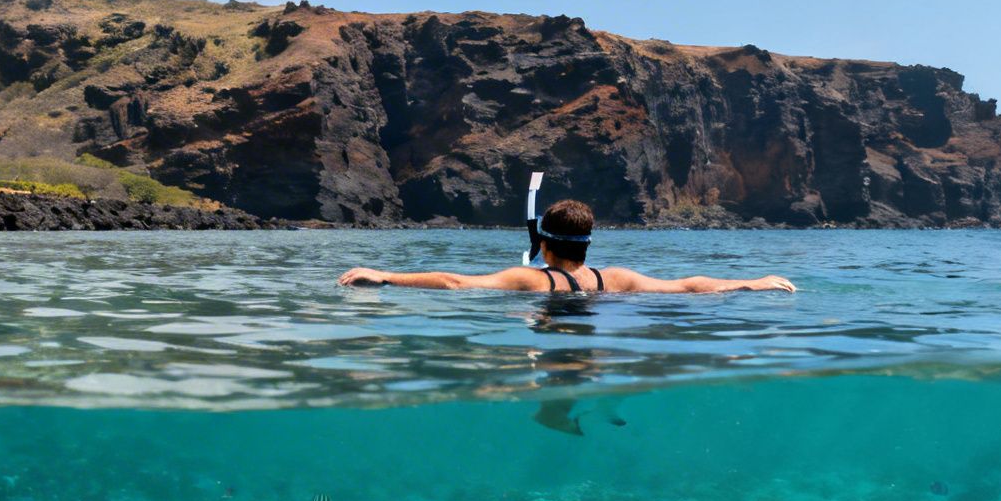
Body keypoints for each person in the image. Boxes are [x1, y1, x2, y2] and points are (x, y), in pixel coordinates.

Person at [337, 200, 795, 293]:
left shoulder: (530, 279)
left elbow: (456, 282)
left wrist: (386, 275)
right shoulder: (614, 278)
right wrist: (750, 283)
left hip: (553, 356)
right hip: (593, 352)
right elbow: (689, 286)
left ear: (542, 242)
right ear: (589, 243)